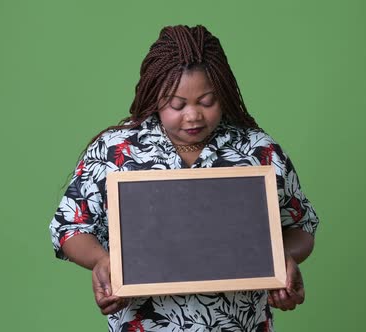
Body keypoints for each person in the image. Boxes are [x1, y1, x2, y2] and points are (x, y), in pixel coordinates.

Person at [49, 25, 319, 332]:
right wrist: (102, 261)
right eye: (176, 104)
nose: (193, 116)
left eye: (207, 102)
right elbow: (70, 226)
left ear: (225, 92)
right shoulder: (115, 151)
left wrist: (282, 260)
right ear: (154, 95)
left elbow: (300, 225)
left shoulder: (259, 151)